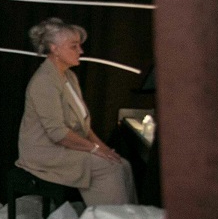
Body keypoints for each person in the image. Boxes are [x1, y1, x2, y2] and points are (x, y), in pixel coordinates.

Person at [16, 18, 136, 205]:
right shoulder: (44, 81)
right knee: (109, 167)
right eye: (74, 46)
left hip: (65, 146)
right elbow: (57, 133)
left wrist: (103, 148)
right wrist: (94, 149)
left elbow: (84, 127)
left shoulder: (69, 77)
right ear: (55, 49)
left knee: (122, 164)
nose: (81, 51)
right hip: (45, 153)